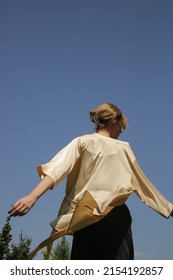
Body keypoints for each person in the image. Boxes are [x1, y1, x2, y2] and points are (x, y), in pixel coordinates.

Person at [9, 103, 173, 260]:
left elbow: (56, 171)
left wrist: (32, 196)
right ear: (114, 119)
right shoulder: (123, 148)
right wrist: (169, 208)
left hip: (84, 218)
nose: (122, 131)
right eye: (121, 126)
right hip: (114, 218)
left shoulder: (82, 141)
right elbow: (143, 184)